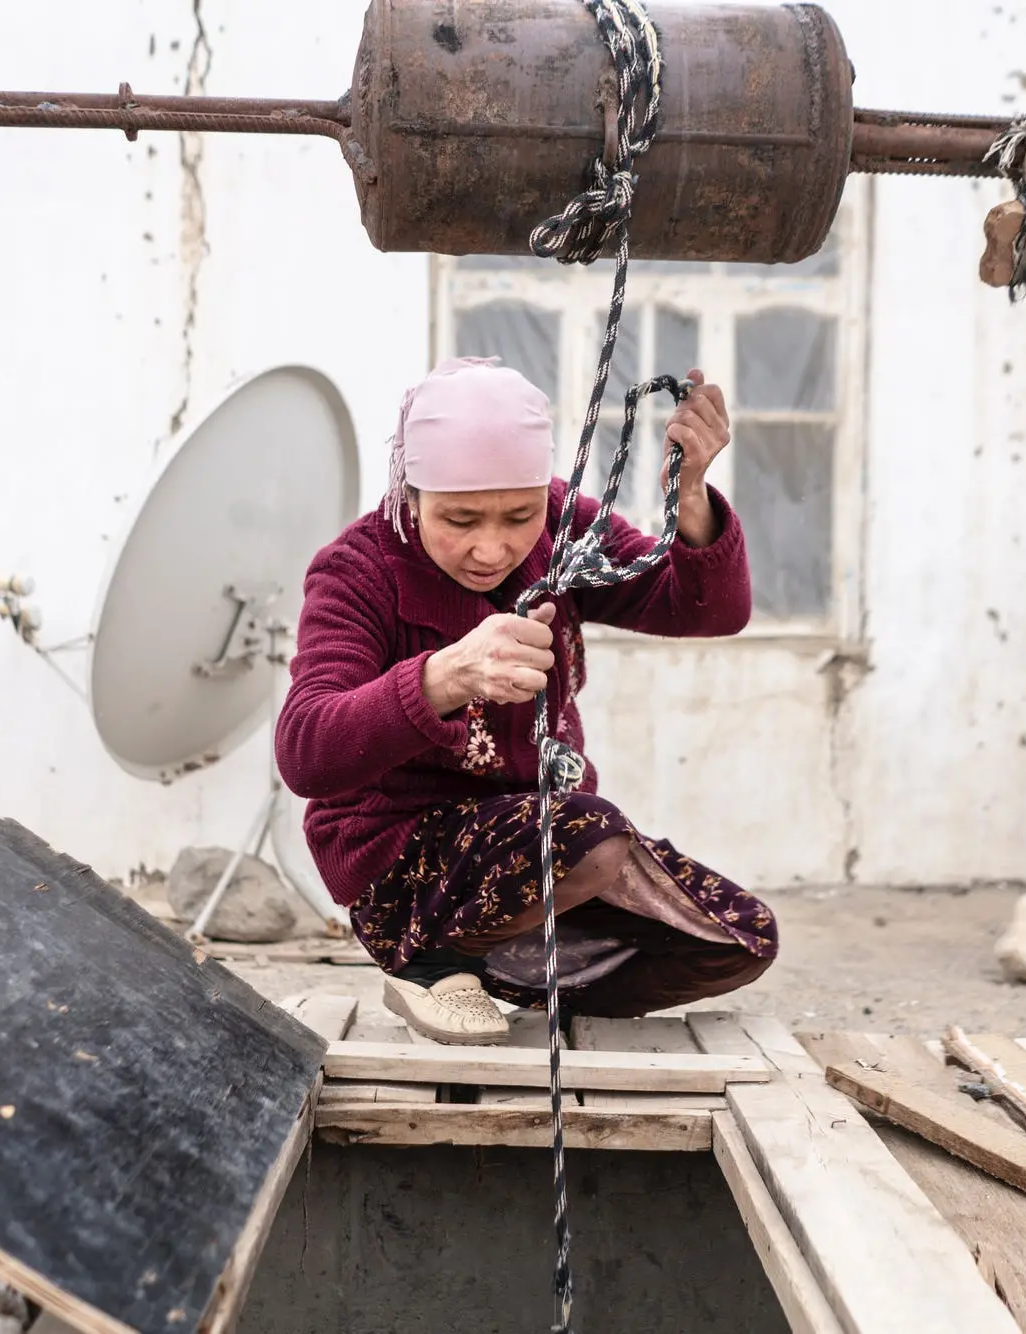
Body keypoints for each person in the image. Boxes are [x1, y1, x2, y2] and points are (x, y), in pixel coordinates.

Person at [273, 357, 776, 1044]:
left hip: (535, 851)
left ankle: (503, 971)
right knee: (591, 839)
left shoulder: (563, 529)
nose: (493, 547)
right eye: (460, 518)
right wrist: (445, 677)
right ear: (409, 493)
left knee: (735, 939)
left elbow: (704, 610)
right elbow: (306, 751)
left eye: (518, 514)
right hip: (404, 869)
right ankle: (426, 963)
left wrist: (689, 497)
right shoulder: (357, 571)